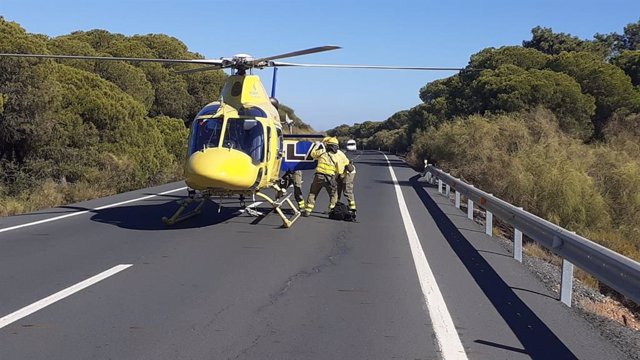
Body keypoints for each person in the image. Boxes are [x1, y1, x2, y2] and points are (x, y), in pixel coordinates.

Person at [302, 137, 340, 217]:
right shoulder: (337, 156)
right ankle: (331, 211)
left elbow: (312, 154)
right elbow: (339, 169)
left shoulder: (322, 152)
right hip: (330, 178)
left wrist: (317, 145)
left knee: (313, 193)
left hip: (319, 176)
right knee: (333, 195)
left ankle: (308, 210)